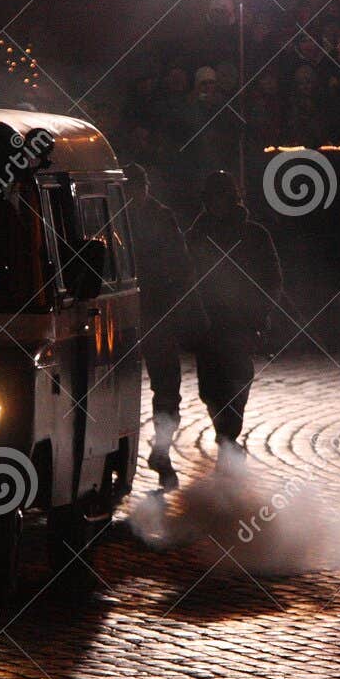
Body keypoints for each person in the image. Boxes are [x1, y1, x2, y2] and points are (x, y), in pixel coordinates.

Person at [185, 170, 282, 469]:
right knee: (210, 386)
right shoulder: (197, 234)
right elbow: (185, 276)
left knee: (237, 381)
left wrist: (260, 312)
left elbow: (271, 278)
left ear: (231, 198)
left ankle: (228, 435)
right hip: (207, 323)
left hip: (240, 322)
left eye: (221, 197)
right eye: (212, 197)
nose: (216, 203)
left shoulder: (253, 234)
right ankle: (223, 432)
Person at [123, 163, 199, 489]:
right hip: (132, 312)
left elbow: (181, 266)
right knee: (150, 387)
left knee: (166, 388)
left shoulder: (147, 217)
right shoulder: (123, 216)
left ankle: (162, 449)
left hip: (154, 311)